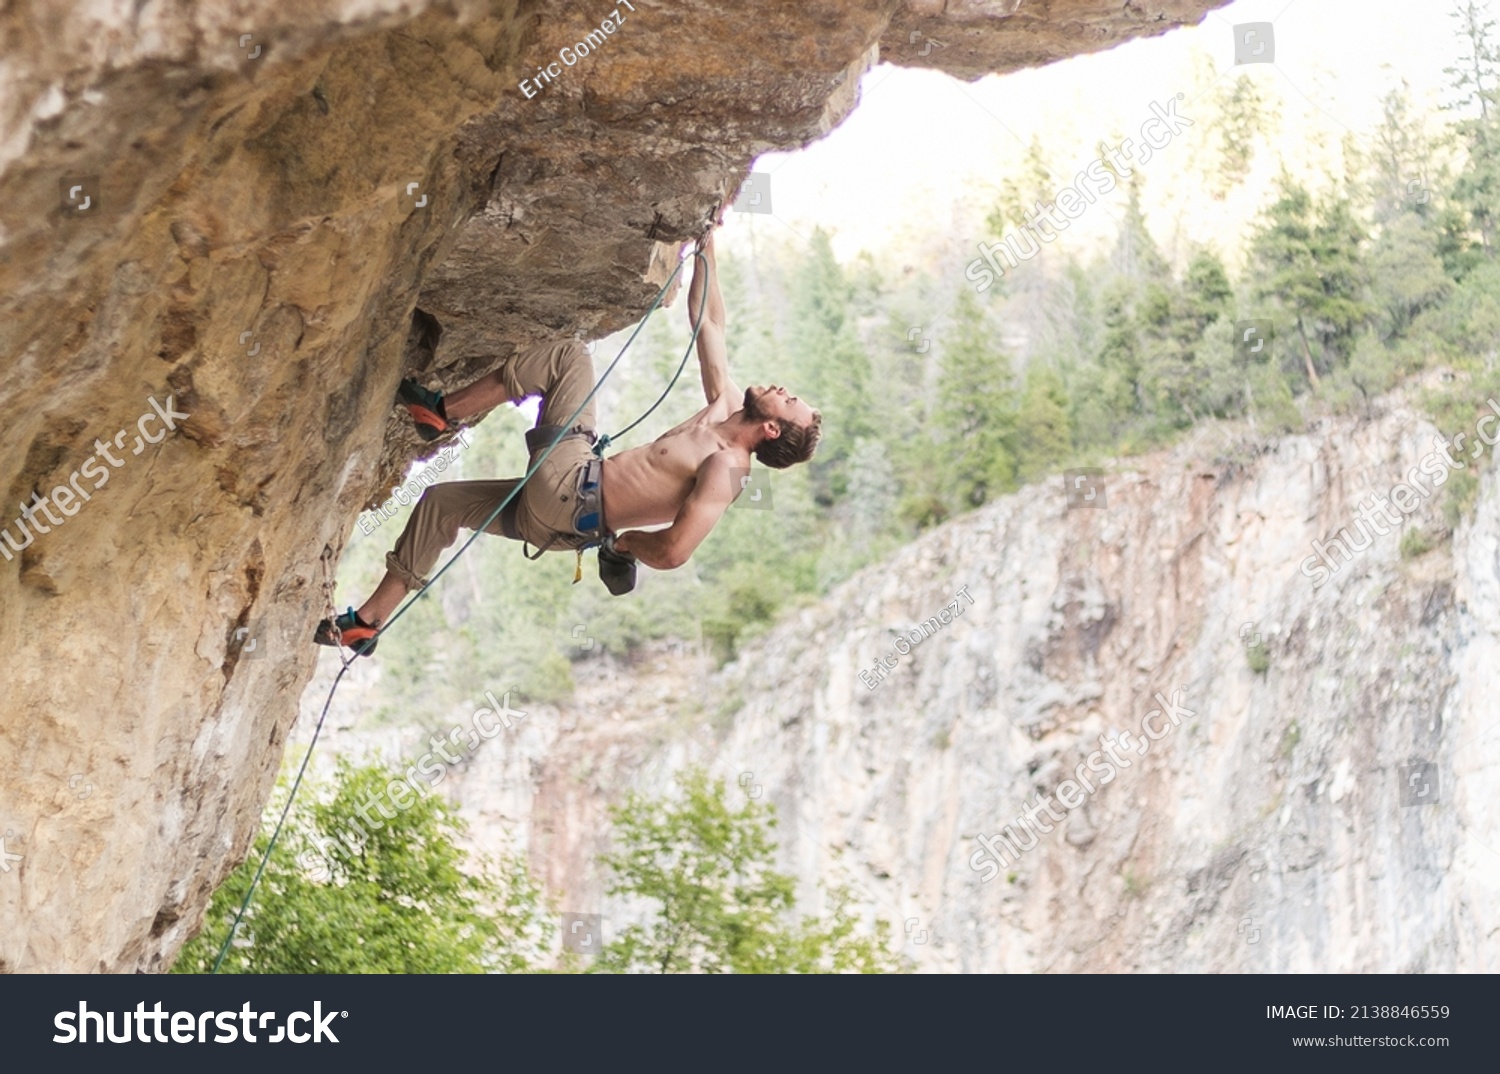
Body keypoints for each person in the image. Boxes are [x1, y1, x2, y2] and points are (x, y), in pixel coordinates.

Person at [315, 227, 822, 656]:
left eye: (788, 399)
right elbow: (709, 323)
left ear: (772, 429)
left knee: (569, 359)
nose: (781, 389)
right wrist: (706, 242)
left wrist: (624, 543)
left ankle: (442, 413)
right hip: (557, 521)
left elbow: (673, 552)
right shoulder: (724, 408)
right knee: (440, 504)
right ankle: (368, 623)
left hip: (571, 493)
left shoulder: (727, 468)